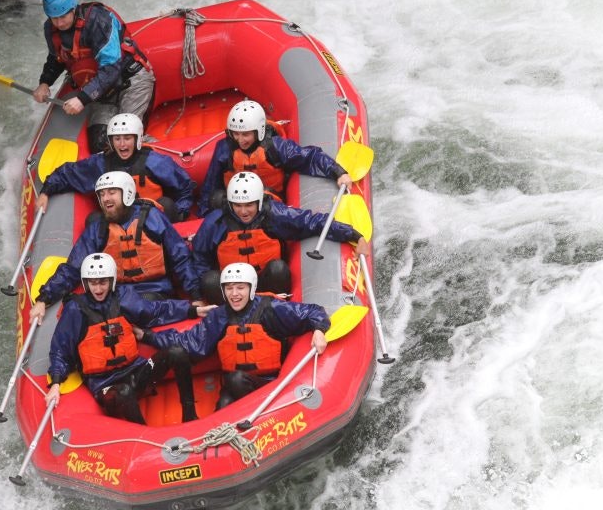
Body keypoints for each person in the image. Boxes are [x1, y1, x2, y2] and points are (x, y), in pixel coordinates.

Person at [36, 253, 214, 423]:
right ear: (86, 283)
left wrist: (192, 310)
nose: (98, 289)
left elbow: (156, 310)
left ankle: (189, 414)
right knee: (124, 391)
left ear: (111, 280)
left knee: (176, 352)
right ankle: (144, 436)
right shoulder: (75, 309)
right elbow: (61, 349)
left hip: (136, 372)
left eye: (103, 282)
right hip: (105, 385)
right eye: (93, 283)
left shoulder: (123, 298)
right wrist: (56, 383)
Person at [136, 263, 329, 410]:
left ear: (251, 288)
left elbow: (313, 311)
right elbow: (189, 342)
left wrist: (319, 329)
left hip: (271, 383)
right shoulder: (219, 316)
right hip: (234, 386)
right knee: (224, 403)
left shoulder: (271, 309)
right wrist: (147, 336)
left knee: (235, 379)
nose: (234, 294)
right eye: (229, 288)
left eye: (240, 288)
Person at [192, 172, 370, 304]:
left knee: (279, 269)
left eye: (249, 205)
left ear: (259, 202)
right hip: (233, 290)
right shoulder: (215, 223)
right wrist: (198, 296)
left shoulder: (275, 214)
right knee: (209, 280)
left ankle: (279, 311)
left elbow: (312, 221)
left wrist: (354, 235)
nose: (243, 212)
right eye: (238, 206)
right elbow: (199, 257)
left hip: (267, 281)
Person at [32, 0, 155, 153]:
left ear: (73, 8)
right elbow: (56, 59)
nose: (58, 23)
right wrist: (44, 83)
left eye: (63, 16)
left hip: (131, 82)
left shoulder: (98, 21)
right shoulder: (51, 29)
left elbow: (111, 69)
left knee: (126, 138)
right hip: (104, 93)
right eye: (54, 18)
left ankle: (157, 152)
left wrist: (83, 98)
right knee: (100, 144)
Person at [50, 171, 202, 301]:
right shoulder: (98, 228)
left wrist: (196, 295)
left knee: (143, 302)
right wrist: (46, 297)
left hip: (156, 290)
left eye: (112, 192)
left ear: (127, 193)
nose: (106, 198)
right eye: (102, 194)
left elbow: (180, 257)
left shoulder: (152, 218)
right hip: (118, 296)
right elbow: (73, 266)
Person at [197, 99, 353, 215]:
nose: (240, 140)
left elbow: (310, 157)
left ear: (259, 131)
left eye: (246, 134)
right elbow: (211, 183)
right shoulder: (225, 149)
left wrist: (338, 172)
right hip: (237, 202)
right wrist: (205, 214)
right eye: (235, 134)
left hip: (268, 202)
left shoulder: (275, 147)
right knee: (216, 198)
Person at [37, 113, 196, 222]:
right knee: (94, 220)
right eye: (117, 139)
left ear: (137, 139)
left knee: (167, 204)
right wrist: (46, 192)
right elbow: (67, 174)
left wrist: (180, 212)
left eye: (127, 138)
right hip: (119, 222)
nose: (122, 144)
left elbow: (185, 187)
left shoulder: (155, 162)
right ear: (111, 141)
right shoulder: (100, 164)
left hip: (155, 220)